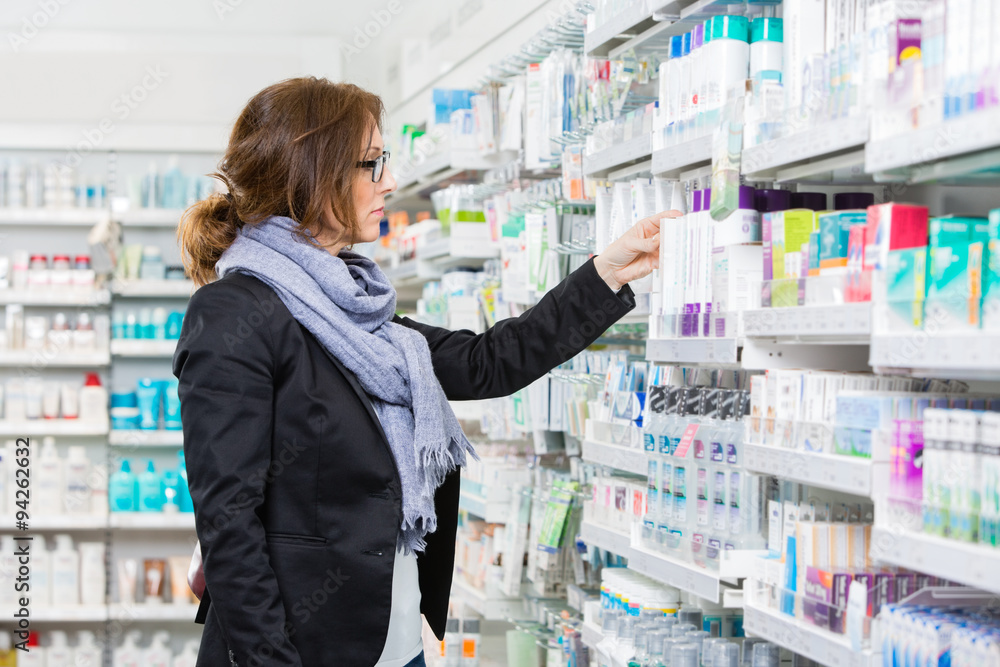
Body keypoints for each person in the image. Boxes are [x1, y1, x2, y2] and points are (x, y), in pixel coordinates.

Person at [174, 76, 676, 667]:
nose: (390, 180)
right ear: (310, 175)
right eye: (371, 163)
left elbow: (486, 361)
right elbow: (228, 523)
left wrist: (607, 274)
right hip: (303, 652)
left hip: (398, 644)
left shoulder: (360, 309)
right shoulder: (235, 314)